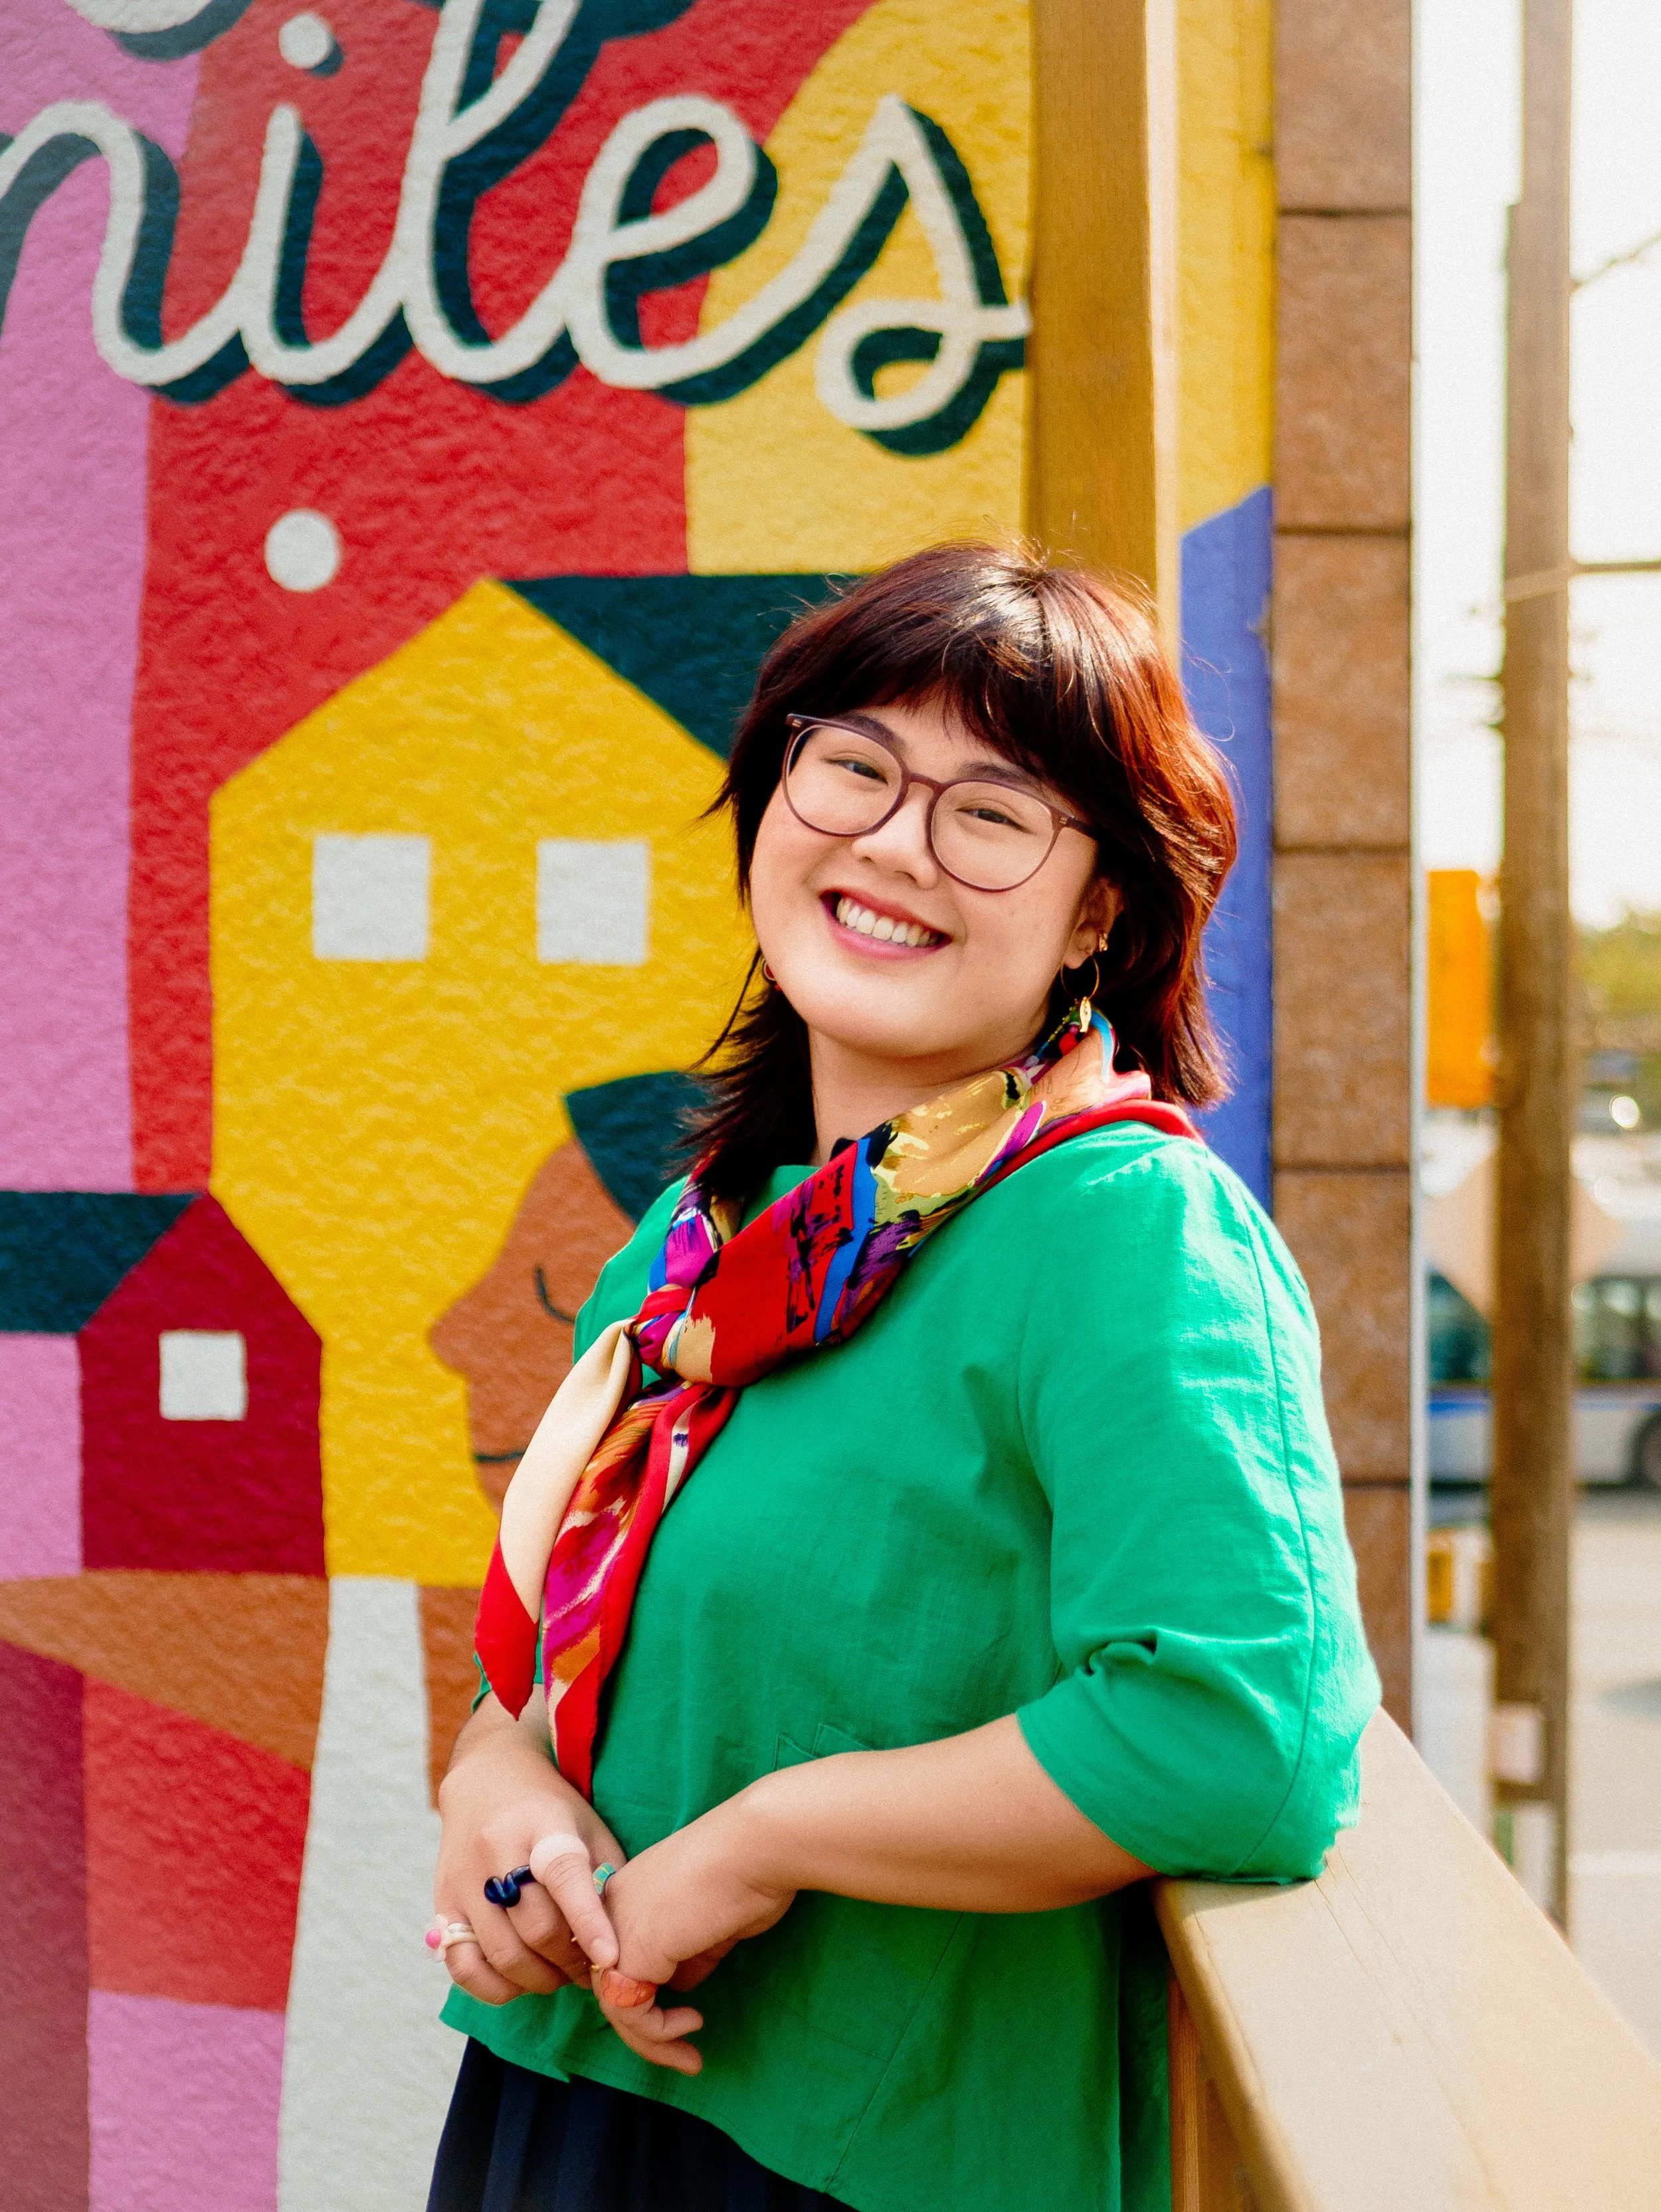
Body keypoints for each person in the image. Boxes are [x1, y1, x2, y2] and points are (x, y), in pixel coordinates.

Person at [426, 543, 1380, 2212]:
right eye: (851, 765)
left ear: (1099, 909)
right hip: (561, 2102)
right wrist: (495, 1780)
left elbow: (1242, 1738)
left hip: (874, 2157)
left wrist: (761, 1838)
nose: (889, 843)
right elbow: (582, 1640)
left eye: (991, 811)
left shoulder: (1121, 1231)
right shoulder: (706, 1242)